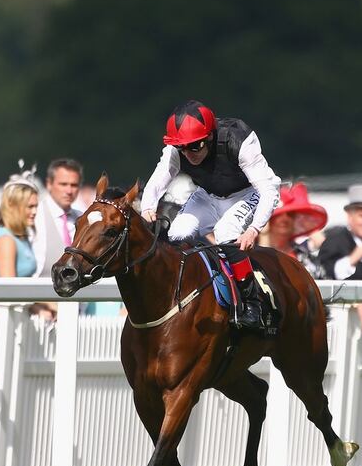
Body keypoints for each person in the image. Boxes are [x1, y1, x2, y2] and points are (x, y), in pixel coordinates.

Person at [139, 100, 281, 331]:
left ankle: (252, 302)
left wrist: (254, 229)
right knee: (178, 233)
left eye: (194, 146)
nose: (188, 153)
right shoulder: (177, 149)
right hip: (208, 194)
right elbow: (158, 179)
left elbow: (268, 190)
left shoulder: (239, 140)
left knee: (226, 232)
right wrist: (147, 208)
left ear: (210, 137)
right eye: (182, 147)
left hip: (248, 194)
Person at [0, 172, 56, 320]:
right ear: (12, 206)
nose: (34, 212)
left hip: (16, 316)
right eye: (29, 207)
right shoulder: (5, 240)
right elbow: (9, 291)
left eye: (36, 206)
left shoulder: (20, 237)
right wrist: (39, 306)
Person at [319, 184, 362, 332]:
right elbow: (326, 275)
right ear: (350, 216)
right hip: (344, 325)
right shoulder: (336, 240)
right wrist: (353, 258)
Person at [263, 182, 328, 279]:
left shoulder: (304, 258)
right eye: (278, 215)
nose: (285, 219)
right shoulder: (250, 255)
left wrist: (309, 226)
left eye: (290, 214)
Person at [33, 158, 83, 277]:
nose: (69, 191)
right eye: (63, 184)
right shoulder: (34, 216)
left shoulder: (82, 218)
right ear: (49, 184)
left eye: (74, 185)